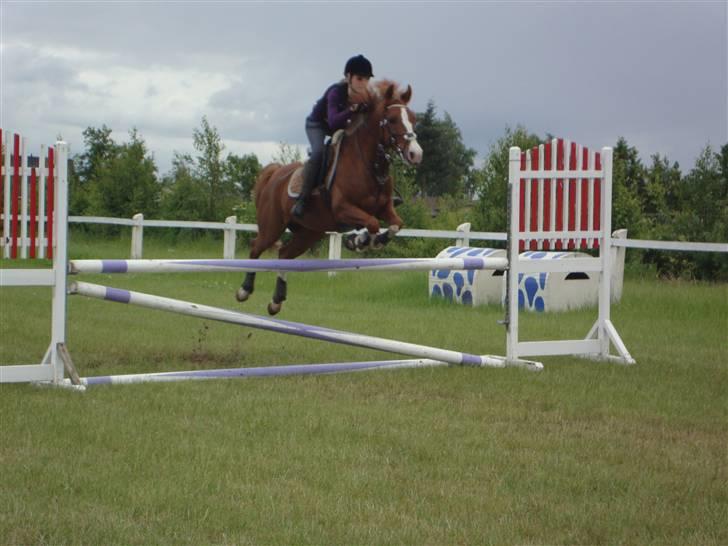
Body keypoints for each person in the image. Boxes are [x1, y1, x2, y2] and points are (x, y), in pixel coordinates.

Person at [291, 54, 374, 217]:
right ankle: (303, 198)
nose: (363, 83)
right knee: (318, 153)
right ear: (348, 77)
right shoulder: (335, 92)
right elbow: (334, 122)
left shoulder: (367, 95)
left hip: (344, 127)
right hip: (318, 125)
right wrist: (352, 109)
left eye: (366, 79)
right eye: (359, 78)